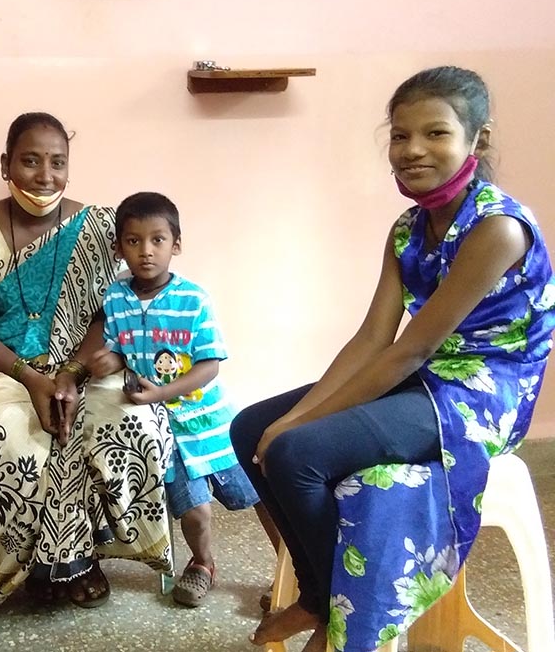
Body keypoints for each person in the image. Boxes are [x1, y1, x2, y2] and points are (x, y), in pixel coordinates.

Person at [230, 66, 555, 652]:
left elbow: (413, 347)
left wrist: (298, 425)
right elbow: (372, 339)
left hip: (482, 396)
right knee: (250, 426)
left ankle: (338, 610)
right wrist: (292, 413)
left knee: (294, 450)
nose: (412, 150)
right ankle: (320, 593)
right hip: (426, 380)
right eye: (400, 136)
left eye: (435, 134)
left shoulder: (498, 228)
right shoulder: (408, 228)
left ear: (476, 140)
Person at [0, 112, 173, 628]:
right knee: (9, 434)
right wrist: (30, 376)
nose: (45, 175)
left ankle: (85, 557)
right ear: (6, 165)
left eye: (57, 162)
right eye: (31, 160)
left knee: (131, 423)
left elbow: (114, 307)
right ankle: (39, 566)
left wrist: (75, 370)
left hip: (80, 364)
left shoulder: (100, 226)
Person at [90, 191, 279, 608]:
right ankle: (203, 564)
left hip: (213, 424)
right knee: (193, 511)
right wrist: (111, 359)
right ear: (119, 247)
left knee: (260, 497)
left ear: (176, 244)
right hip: (165, 432)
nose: (146, 251)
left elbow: (209, 365)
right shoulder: (115, 299)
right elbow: (121, 347)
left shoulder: (194, 299)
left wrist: (160, 392)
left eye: (157, 240)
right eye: (133, 241)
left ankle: (296, 571)